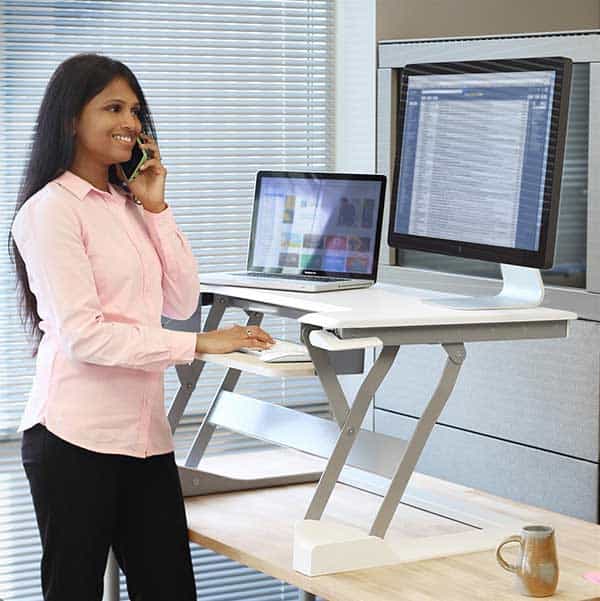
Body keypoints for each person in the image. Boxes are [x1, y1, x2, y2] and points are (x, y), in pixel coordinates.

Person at [9, 53, 274, 601]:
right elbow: (86, 336)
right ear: (69, 121)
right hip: (73, 439)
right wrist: (200, 344)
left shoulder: (127, 204)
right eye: (112, 107)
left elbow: (180, 300)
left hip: (144, 438)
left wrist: (155, 207)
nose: (131, 122)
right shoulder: (50, 210)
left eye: (134, 109)